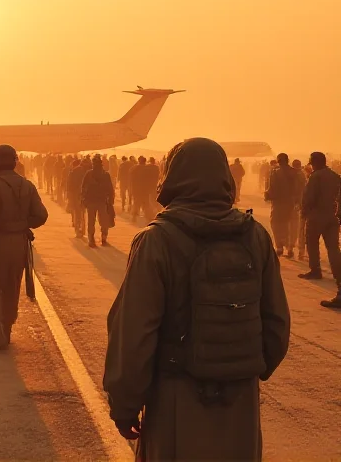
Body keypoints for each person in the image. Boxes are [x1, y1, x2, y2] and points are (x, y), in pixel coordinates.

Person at [103, 138, 290, 461]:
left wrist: (125, 403)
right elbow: (276, 324)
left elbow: (133, 332)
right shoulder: (255, 235)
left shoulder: (157, 239)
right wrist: (240, 369)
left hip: (176, 395)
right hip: (240, 401)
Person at [0, 145, 47, 351]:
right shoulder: (27, 185)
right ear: (15, 161)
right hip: (19, 244)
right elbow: (41, 215)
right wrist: (23, 225)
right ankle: (7, 330)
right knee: (11, 288)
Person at [298, 153, 341, 306]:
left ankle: (315, 269)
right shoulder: (336, 176)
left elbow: (309, 197)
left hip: (317, 216)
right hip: (332, 217)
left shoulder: (316, 177)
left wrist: (304, 212)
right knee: (334, 249)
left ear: (315, 163)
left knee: (311, 242)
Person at [265, 153, 296, 256]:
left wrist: (267, 195)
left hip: (278, 202)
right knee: (290, 224)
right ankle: (290, 247)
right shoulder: (295, 172)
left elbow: (272, 187)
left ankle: (279, 246)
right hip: (291, 203)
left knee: (276, 223)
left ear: (278, 161)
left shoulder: (275, 172)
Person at [81, 155, 115, 247]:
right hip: (102, 201)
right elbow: (110, 189)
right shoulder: (105, 174)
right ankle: (103, 238)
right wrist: (111, 201)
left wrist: (83, 200)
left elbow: (83, 188)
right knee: (104, 221)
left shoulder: (89, 174)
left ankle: (91, 239)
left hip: (91, 201)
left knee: (91, 221)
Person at [289, 159, 307, 260]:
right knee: (299, 228)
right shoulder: (302, 175)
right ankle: (300, 251)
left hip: (294, 204)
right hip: (300, 204)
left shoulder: (293, 175)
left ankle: (292, 247)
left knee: (294, 226)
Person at [67, 158, 87, 238]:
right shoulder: (86, 172)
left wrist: (68, 196)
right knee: (82, 213)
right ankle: (82, 229)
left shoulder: (73, 172)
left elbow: (69, 185)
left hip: (75, 195)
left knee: (77, 212)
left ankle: (77, 229)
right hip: (83, 195)